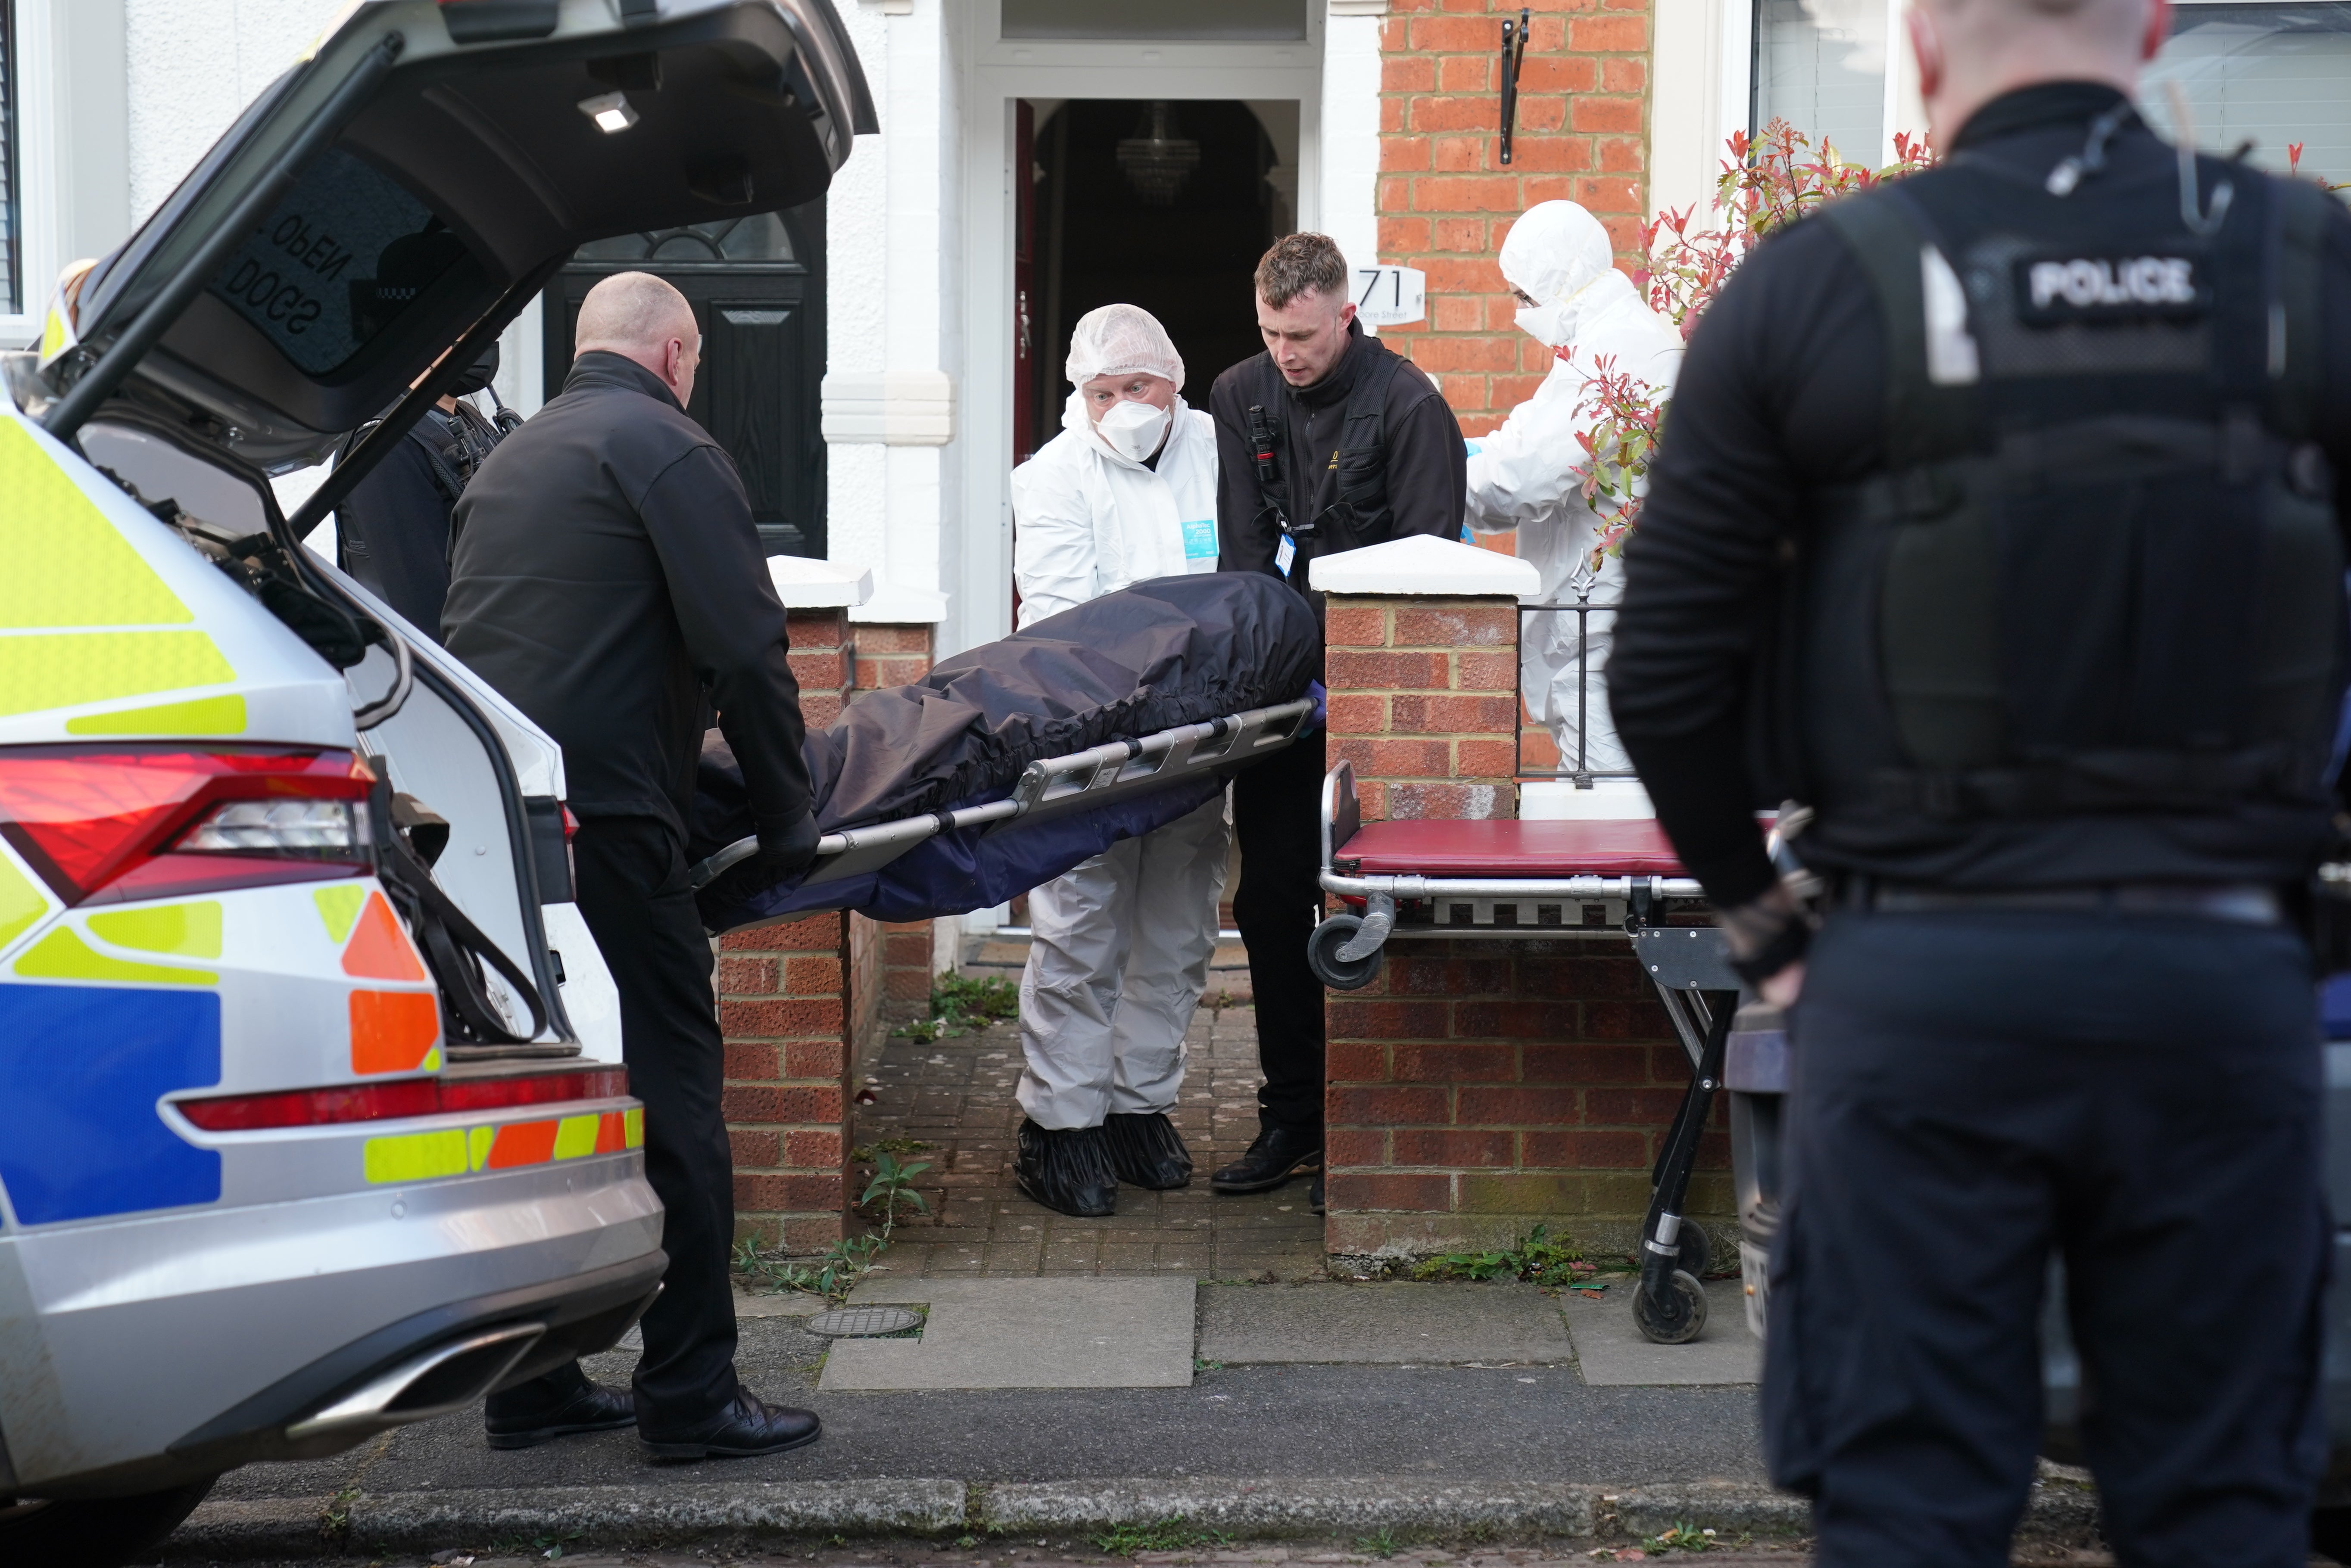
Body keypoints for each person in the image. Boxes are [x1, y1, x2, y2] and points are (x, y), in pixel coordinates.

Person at [1606, 0, 2351, 1559]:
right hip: (2224, 980)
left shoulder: (1817, 285)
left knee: (1910, 1502)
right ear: (2153, 24)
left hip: (1917, 979)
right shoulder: (2308, 270)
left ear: (1925, 41)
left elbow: (1665, 673)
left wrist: (1767, 937)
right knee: (2224, 1501)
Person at [443, 271, 823, 1461]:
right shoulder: (667, 447)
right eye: (697, 357)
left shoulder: (508, 458)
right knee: (676, 1101)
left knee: (547, 1105)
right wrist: (787, 813)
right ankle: (692, 1395)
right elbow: (747, 648)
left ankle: (532, 1386)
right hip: (612, 825)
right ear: (673, 354)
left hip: (494, 835)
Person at [1211, 232, 1469, 1208]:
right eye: (1273, 332)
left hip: (1384, 701)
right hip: (1282, 695)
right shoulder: (1240, 396)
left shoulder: (1409, 407)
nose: (1288, 352)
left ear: (1345, 314)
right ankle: (1291, 1119)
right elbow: (1243, 561)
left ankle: (1367, 1135)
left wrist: (1361, 689)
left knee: (1368, 909)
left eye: (1304, 335)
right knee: (1272, 905)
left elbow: (1430, 580)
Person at [1006, 303, 1231, 1217]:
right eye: (1103, 391)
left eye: (1137, 386)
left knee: (1178, 926)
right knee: (1080, 927)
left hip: (1205, 727)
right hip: (1090, 728)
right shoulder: (1051, 476)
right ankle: (1060, 1125)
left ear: (1172, 381)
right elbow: (1061, 609)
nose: (1122, 405)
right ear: (1079, 394)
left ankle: (1140, 1104)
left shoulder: (1216, 448)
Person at [1464, 201, 1682, 782]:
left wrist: (1430, 478)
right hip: (1606, 632)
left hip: (1608, 637)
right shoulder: (1611, 344)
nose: (1519, 313)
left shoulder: (1616, 355)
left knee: (1613, 825)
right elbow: (1527, 441)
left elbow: (1520, 479)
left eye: (1523, 298)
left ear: (1557, 286)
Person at [334, 342, 515, 633]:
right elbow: (421, 598)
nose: (482, 346)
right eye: (466, 334)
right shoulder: (386, 443)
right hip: (426, 664)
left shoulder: (466, 417)